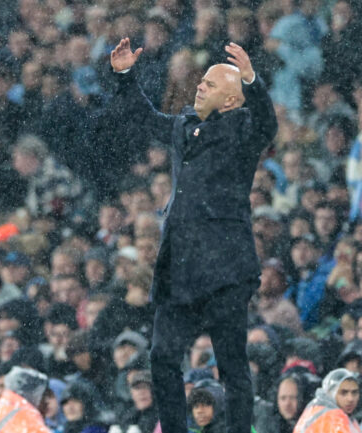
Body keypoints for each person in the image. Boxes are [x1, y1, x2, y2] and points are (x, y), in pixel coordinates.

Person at [107, 37, 277, 433]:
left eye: (212, 84)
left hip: (224, 268)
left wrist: (252, 79)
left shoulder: (243, 133)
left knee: (231, 364)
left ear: (233, 101)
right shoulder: (185, 126)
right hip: (180, 266)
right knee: (162, 357)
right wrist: (125, 76)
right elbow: (146, 118)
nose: (201, 86)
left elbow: (267, 123)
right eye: (201, 80)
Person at [293, 368, 361, 433]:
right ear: (330, 392)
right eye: (343, 393)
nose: (350, 398)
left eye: (354, 392)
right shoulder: (332, 417)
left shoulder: (317, 410)